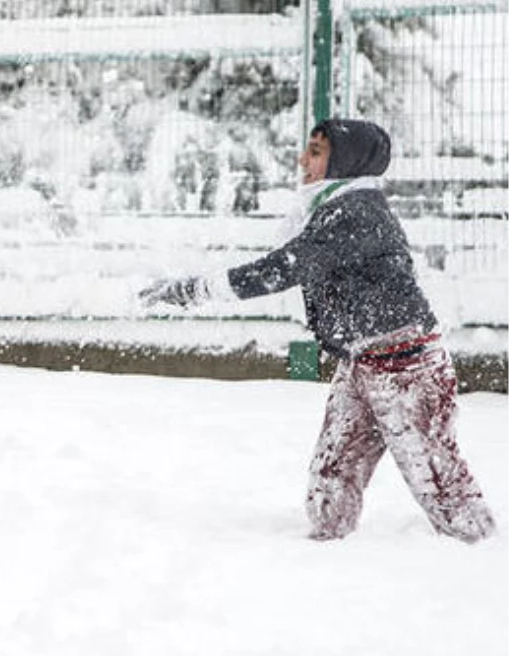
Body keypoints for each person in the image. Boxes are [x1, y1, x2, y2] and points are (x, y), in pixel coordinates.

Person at [139, 118, 496, 543]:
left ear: (344, 161)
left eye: (315, 151)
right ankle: (324, 551)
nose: (302, 160)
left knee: (436, 476)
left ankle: (479, 547)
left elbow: (280, 270)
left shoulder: (358, 212)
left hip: (407, 368)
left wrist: (191, 291)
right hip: (361, 360)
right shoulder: (331, 208)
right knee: (334, 468)